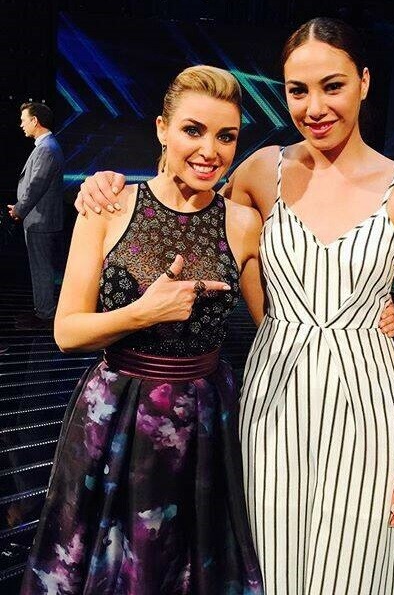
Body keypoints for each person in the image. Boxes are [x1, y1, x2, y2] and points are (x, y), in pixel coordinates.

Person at [75, 17, 394, 594]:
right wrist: (105, 185)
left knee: (356, 566)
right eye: (298, 90)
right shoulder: (263, 170)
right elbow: (186, 204)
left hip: (369, 401)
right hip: (271, 400)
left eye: (333, 86)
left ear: (364, 82)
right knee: (263, 563)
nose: (315, 107)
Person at [21, 66, 264, 594]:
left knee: (185, 564)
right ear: (161, 129)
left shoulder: (245, 224)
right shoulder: (108, 207)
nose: (210, 151)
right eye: (193, 130)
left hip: (205, 419)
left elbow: (281, 321)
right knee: (113, 563)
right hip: (117, 414)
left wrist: (376, 311)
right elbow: (67, 331)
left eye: (226, 136)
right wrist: (145, 312)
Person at [9, 102, 64, 329]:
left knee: (41, 269)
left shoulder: (46, 148)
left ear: (35, 121)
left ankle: (45, 314)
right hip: (39, 219)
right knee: (40, 268)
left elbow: (36, 186)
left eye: (24, 120)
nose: (21, 124)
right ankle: (42, 310)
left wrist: (19, 209)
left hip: (41, 221)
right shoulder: (46, 146)